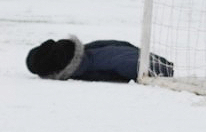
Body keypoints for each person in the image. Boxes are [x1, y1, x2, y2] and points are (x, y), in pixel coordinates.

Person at [24, 36, 173, 82]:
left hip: (162, 68)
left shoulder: (95, 63)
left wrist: (170, 70)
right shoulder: (90, 50)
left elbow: (165, 72)